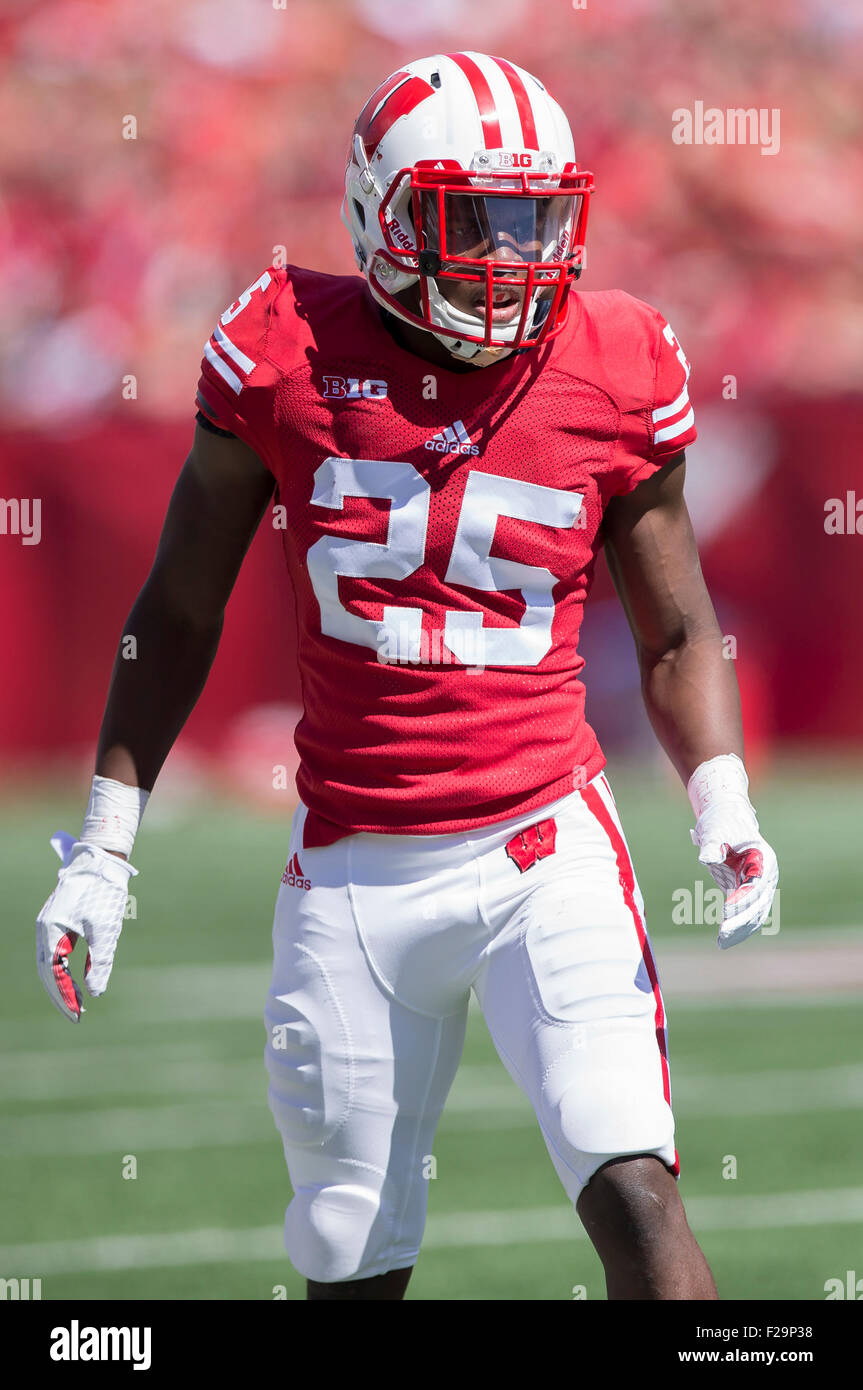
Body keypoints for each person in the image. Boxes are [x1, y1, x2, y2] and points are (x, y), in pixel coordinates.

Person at [36, 51, 778, 1300]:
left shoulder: (616, 361)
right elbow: (174, 607)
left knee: (635, 1187)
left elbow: (674, 626)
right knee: (345, 1253)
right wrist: (107, 846)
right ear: (382, 211)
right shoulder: (282, 347)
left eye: (536, 218)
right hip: (351, 860)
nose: (512, 254)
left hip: (546, 841)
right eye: (474, 218)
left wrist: (722, 800)